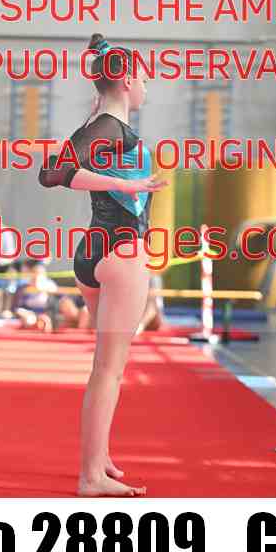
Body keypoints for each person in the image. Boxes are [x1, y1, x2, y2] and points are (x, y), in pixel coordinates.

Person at [39, 33, 167, 497]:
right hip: (122, 252)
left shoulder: (98, 123)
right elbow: (53, 175)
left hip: (93, 252)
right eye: (144, 77)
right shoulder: (112, 127)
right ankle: (90, 475)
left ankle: (100, 457)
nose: (147, 85)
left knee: (106, 367)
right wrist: (126, 185)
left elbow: (59, 168)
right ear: (127, 80)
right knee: (109, 370)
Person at [12, 259, 57, 332]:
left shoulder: (50, 285)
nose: (36, 276)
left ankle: (41, 322)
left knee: (44, 319)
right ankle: (37, 323)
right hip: (29, 313)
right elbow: (17, 307)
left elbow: (56, 300)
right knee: (28, 319)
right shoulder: (23, 286)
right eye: (34, 273)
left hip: (45, 312)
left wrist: (41, 288)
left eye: (39, 273)